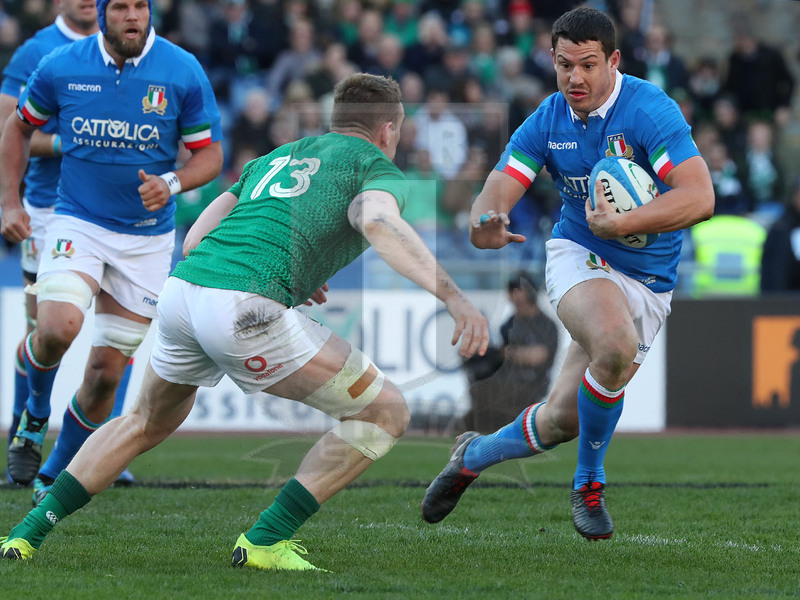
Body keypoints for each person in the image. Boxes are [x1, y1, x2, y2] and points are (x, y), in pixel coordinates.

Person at [0, 72, 490, 570]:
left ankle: (24, 535)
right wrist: (454, 298)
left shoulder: (275, 157)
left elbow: (196, 240)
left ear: (334, 120)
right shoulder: (372, 164)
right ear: (388, 129)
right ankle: (265, 540)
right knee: (385, 413)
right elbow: (379, 221)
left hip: (184, 291)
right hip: (242, 309)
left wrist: (293, 271)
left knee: (142, 422)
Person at [420, 7, 714, 540]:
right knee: (614, 343)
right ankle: (589, 484)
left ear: (613, 61)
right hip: (580, 255)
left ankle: (471, 456)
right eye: (563, 65)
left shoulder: (649, 110)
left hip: (649, 281)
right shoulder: (548, 119)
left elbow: (699, 197)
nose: (574, 78)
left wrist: (623, 221)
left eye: (587, 65)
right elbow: (496, 193)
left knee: (562, 419)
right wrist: (484, 222)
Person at [0, 0, 223, 505]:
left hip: (146, 241)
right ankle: (35, 416)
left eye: (140, 6)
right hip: (77, 221)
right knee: (55, 328)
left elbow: (209, 153)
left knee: (105, 375)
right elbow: (17, 126)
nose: (133, 16)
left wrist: (173, 181)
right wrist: (8, 200)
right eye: (120, 6)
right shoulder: (60, 64)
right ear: (102, 15)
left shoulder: (181, 69)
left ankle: (53, 473)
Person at [0, 0, 139, 486]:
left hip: (121, 216)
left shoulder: (136, 47)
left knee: (119, 340)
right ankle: (29, 426)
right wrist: (72, 142)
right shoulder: (37, 52)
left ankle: (104, 451)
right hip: (49, 210)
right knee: (48, 332)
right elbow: (9, 128)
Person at [458, 271, 560, 433]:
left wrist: (505, 352)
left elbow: (538, 356)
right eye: (511, 290)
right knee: (478, 390)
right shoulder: (509, 324)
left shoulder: (546, 324)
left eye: (518, 289)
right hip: (507, 380)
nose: (514, 295)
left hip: (532, 384)